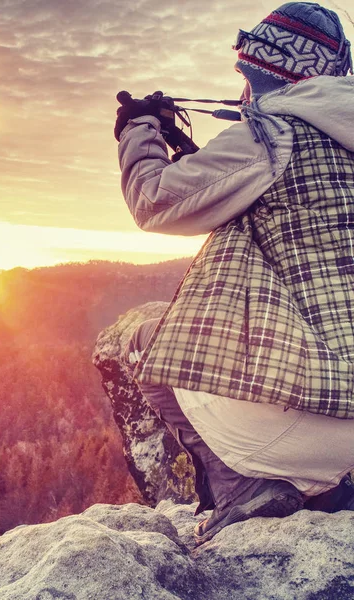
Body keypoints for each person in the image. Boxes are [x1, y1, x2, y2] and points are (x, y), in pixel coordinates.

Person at [114, 1, 354, 544]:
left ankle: (243, 492)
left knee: (149, 346)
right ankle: (331, 489)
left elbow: (154, 202)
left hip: (316, 417)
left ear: (266, 71)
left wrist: (139, 132)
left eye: (247, 75)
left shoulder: (273, 134)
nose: (243, 90)